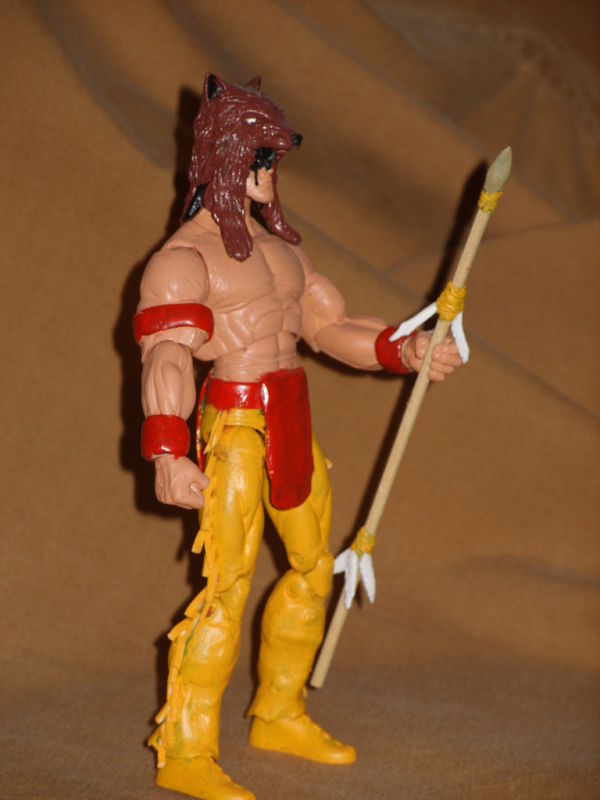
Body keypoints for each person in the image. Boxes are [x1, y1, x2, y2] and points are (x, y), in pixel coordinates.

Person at [135, 73, 462, 800]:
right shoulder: (183, 260)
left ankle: (279, 711)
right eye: (259, 158)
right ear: (223, 161)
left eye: (273, 160)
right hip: (233, 424)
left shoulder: (283, 252)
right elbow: (167, 356)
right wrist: (168, 451)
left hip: (290, 415)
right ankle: (185, 748)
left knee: (313, 566)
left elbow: (330, 327)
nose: (269, 173)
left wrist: (403, 350)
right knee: (226, 588)